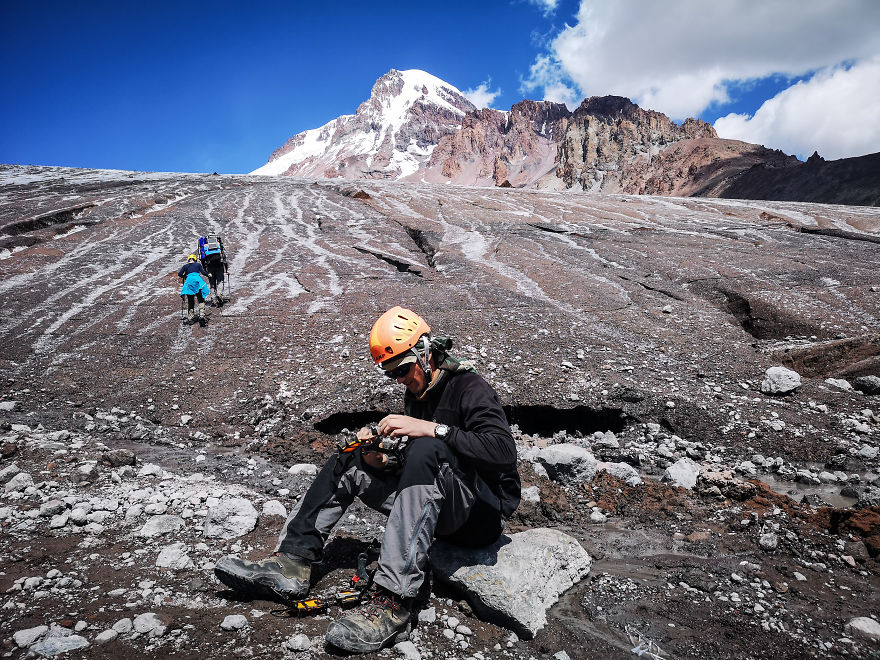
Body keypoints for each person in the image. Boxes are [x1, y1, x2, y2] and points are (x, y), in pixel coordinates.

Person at [215, 306, 521, 653]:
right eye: (392, 374)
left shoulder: (469, 386)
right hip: (442, 506)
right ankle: (292, 561)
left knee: (427, 450)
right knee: (353, 455)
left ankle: (393, 603)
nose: (400, 379)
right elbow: (425, 469)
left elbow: (501, 451)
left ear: (426, 352)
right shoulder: (417, 395)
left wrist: (431, 429)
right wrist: (384, 459)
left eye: (403, 369)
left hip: (479, 515)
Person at [177, 254, 210, 327]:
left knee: (191, 301)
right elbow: (203, 272)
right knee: (201, 299)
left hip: (189, 283)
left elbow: (179, 274)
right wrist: (208, 275)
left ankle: (190, 318)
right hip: (197, 282)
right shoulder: (198, 265)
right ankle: (202, 316)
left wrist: (184, 275)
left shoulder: (185, 266)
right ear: (195, 260)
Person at [199, 235, 229, 306]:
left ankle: (214, 299)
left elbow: (203, 260)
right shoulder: (218, 246)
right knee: (220, 281)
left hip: (210, 267)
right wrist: (227, 269)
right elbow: (224, 258)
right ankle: (219, 294)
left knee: (212, 284)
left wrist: (205, 270)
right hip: (219, 266)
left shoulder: (205, 247)